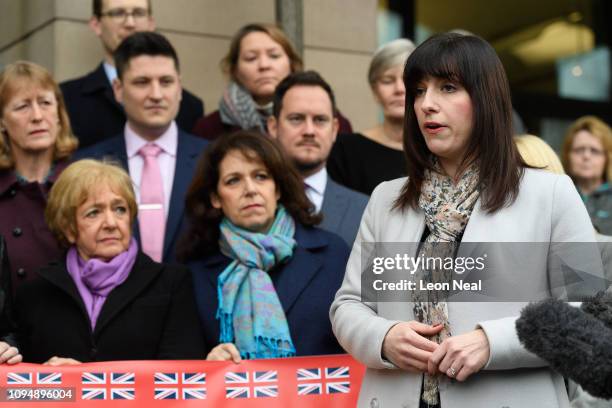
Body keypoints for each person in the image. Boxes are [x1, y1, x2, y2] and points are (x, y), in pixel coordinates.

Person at [330, 33, 603, 408]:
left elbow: (591, 314)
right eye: (419, 90)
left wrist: (494, 341)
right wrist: (384, 337)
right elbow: (348, 305)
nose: (427, 104)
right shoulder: (385, 199)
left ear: (486, 98)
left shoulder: (550, 194)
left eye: (448, 88)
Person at [179, 130, 349, 361]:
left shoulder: (334, 252)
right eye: (233, 180)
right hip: (235, 397)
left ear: (277, 188)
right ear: (215, 198)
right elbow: (180, 364)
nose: (250, 189)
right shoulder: (193, 272)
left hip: (324, 396)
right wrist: (207, 364)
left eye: (261, 176)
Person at [16, 159, 205, 364]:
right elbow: (20, 389)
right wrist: (50, 379)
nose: (111, 223)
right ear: (68, 227)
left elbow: (181, 377)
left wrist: (86, 379)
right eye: (94, 213)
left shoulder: (172, 284)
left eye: (119, 209)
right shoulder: (36, 294)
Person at [75, 31, 207, 263]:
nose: (156, 95)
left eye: (166, 82)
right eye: (142, 82)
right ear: (118, 89)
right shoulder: (86, 165)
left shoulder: (213, 160)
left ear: (179, 88)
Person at [60, 0, 203, 148]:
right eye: (118, 13)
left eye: (138, 13)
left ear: (151, 22)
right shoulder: (67, 99)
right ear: (96, 24)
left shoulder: (189, 106)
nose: (130, 23)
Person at [192, 23, 352, 140]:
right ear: (235, 70)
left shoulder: (331, 122)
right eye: (251, 58)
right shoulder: (208, 129)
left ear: (292, 64)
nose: (264, 65)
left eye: (274, 56)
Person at [0, 61, 78, 291]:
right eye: (22, 106)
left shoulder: (83, 184)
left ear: (58, 115)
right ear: (2, 121)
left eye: (45, 103)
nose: (37, 116)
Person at [268, 71, 368, 247]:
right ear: (273, 127)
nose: (309, 131)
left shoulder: (367, 210)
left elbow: (384, 275)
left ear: (335, 129)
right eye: (296, 119)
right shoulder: (249, 202)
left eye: (320, 120)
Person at [328, 38, 415, 195]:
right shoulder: (344, 151)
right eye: (388, 81)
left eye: (407, 80)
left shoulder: (438, 151)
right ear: (375, 91)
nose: (399, 89)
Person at [561, 116, 612, 235]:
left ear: (607, 158)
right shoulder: (558, 194)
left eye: (594, 151)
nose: (586, 156)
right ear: (567, 156)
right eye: (579, 150)